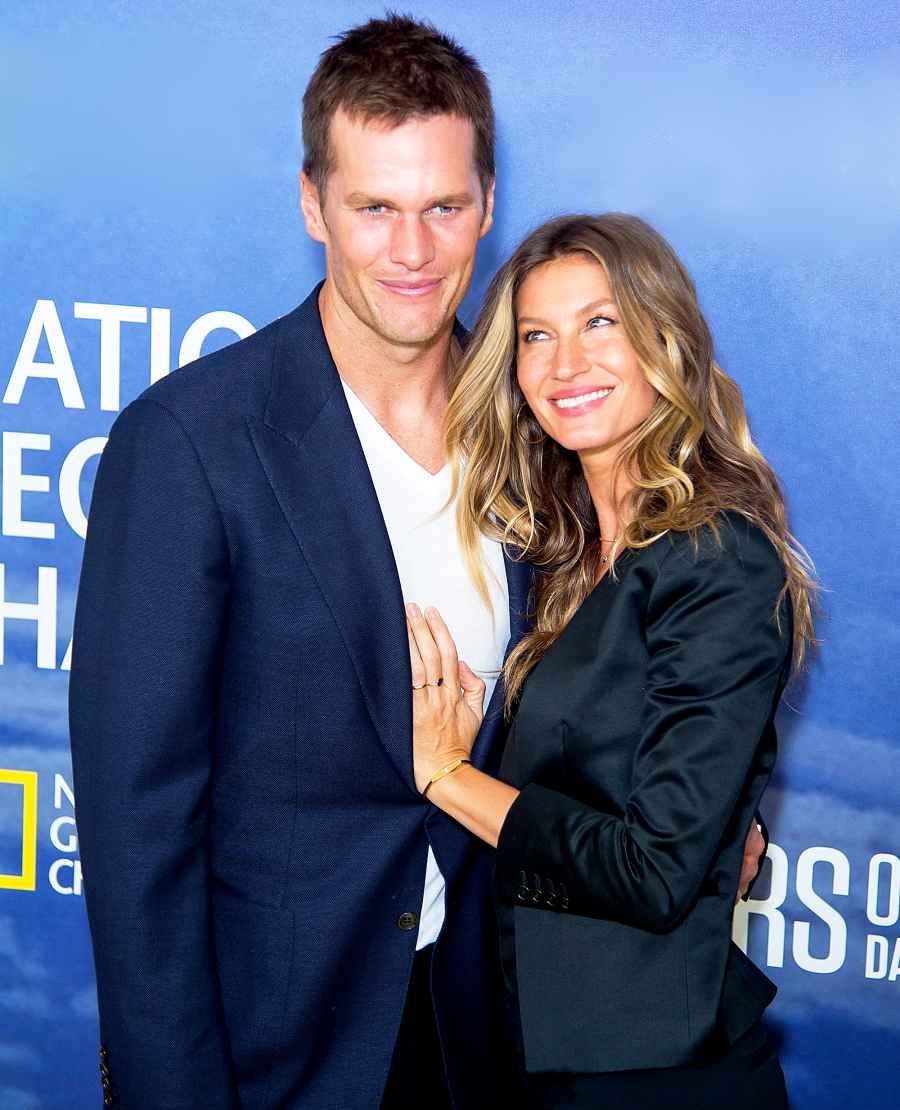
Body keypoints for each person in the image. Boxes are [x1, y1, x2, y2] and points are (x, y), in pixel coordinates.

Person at [68, 13, 766, 1109]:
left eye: (443, 208)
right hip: (274, 1051)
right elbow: (135, 827)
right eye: (374, 208)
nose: (412, 251)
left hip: (486, 1037)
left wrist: (721, 800)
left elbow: (653, 652)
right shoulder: (193, 443)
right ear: (313, 206)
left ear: (488, 204)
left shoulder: (544, 424)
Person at [407, 213, 816, 1108]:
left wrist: (444, 774)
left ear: (662, 336)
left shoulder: (717, 558)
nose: (565, 366)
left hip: (649, 1074)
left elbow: (654, 869)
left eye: (601, 324)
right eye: (535, 337)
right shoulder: (560, 554)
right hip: (529, 1049)